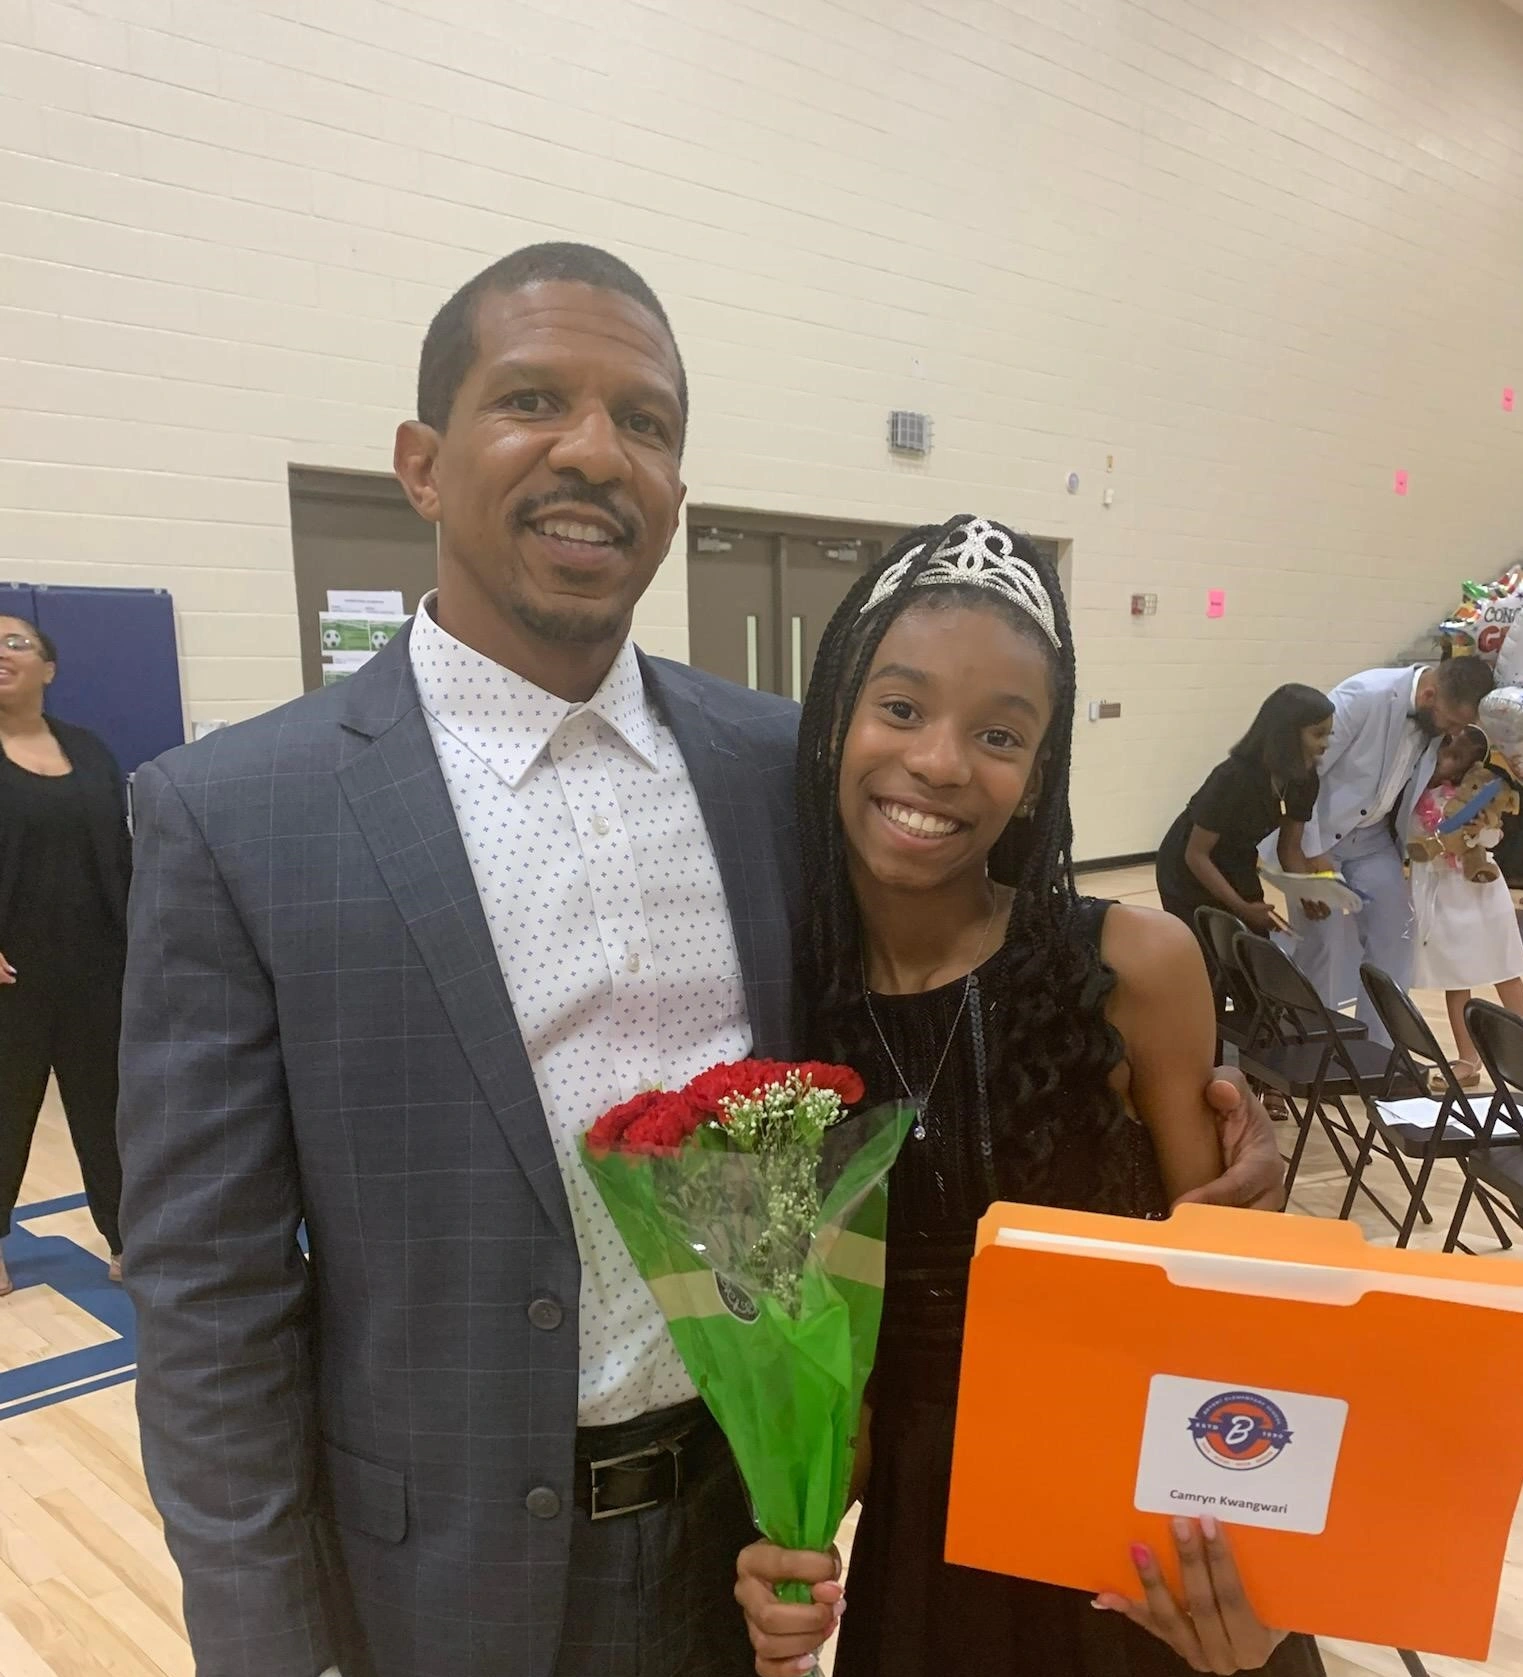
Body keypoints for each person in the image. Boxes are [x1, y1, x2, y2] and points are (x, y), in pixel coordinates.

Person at [117, 248, 1285, 1677]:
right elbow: (209, 1301)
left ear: (677, 487)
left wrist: (1202, 1137)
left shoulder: (768, 767)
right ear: (421, 464)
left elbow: (952, 991)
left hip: (747, 1542)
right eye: (533, 398)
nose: (595, 452)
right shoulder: (237, 813)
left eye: (648, 423)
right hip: (438, 1579)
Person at [736, 515, 1321, 1677]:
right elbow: (842, 1394)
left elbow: (1227, 1324)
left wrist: (1266, 1588)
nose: (943, 762)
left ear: (1038, 771)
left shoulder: (1131, 970)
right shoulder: (787, 1009)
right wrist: (784, 1546)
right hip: (928, 1571)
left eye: (999, 733)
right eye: (899, 708)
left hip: (1136, 1571)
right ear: (835, 715)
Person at [0, 616, 129, 1297]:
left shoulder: (89, 750)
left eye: (15, 642)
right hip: (10, 978)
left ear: (49, 669)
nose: (1, 652)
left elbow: (120, 848)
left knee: (108, 1109)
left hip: (96, 970)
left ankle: (126, 1235)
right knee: (5, 1110)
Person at [1279, 658, 1494, 1045]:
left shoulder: (1434, 720)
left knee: (1398, 934)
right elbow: (1302, 773)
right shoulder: (1362, 697)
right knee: (1323, 937)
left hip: (1374, 839)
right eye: (1450, 722)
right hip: (1317, 833)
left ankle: (1378, 1052)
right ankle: (1313, 1047)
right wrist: (1310, 851)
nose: (1454, 731)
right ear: (1429, 695)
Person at [1156, 684, 1334, 937]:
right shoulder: (1234, 777)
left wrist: (1308, 893)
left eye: (1329, 734)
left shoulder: (1305, 779)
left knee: (1253, 942)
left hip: (1237, 859)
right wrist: (1240, 906)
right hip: (1187, 867)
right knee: (1207, 948)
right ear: (1287, 734)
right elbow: (1196, 855)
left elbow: (1290, 848)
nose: (1326, 744)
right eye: (1318, 735)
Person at [1409, 726, 1523, 1086]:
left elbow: (1495, 836)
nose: (1447, 761)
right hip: (1443, 890)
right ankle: (1467, 1059)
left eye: (1457, 757)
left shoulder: (1482, 792)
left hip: (1481, 890)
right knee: (1454, 977)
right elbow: (1413, 835)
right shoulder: (1418, 793)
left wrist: (1477, 831)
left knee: (1506, 971)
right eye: (1445, 752)